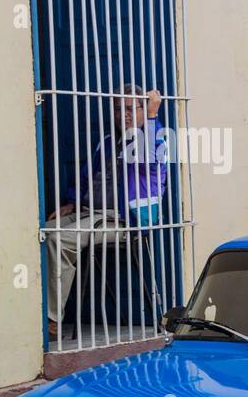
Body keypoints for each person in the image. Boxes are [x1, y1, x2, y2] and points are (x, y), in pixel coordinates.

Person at [45, 85, 167, 335]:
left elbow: (149, 160)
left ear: (144, 110)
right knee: (42, 232)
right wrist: (72, 203)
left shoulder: (158, 138)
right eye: (119, 109)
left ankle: (52, 319)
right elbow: (87, 177)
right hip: (91, 212)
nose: (125, 114)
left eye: (132, 108)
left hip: (122, 220)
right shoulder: (110, 142)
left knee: (60, 239)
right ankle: (34, 310)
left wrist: (153, 117)